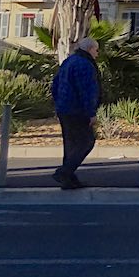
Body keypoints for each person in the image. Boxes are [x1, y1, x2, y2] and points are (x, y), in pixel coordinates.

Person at [51, 37, 101, 190]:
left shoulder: (69, 61)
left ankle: (69, 180)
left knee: (71, 144)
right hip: (77, 110)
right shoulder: (85, 65)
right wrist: (91, 113)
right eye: (96, 50)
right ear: (90, 49)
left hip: (64, 108)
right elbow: (86, 91)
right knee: (87, 142)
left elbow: (55, 84)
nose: (97, 54)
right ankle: (64, 172)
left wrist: (58, 102)